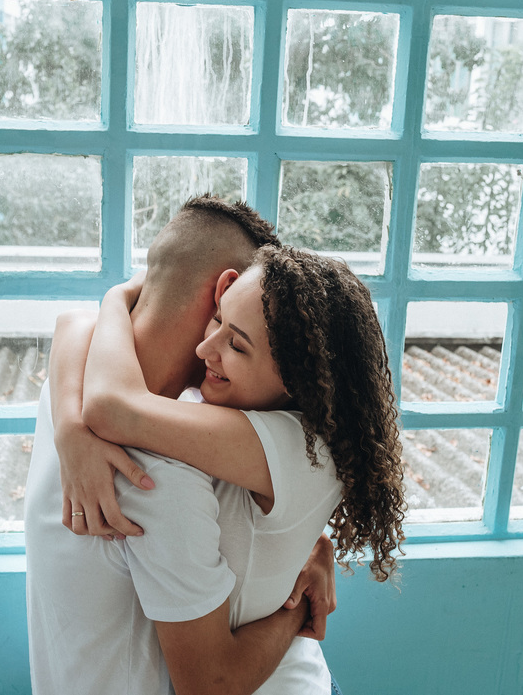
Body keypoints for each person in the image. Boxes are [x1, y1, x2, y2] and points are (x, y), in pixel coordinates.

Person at [24, 197, 338, 695]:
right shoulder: (157, 472)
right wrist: (296, 607)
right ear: (224, 290)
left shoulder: (71, 383)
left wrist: (312, 544)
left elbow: (75, 327)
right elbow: (211, 683)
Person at [69, 244, 406, 694]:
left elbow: (113, 407)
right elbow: (69, 330)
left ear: (295, 379)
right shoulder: (246, 418)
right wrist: (70, 433)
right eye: (217, 319)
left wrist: (116, 298)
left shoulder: (301, 448)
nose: (205, 347)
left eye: (236, 344)